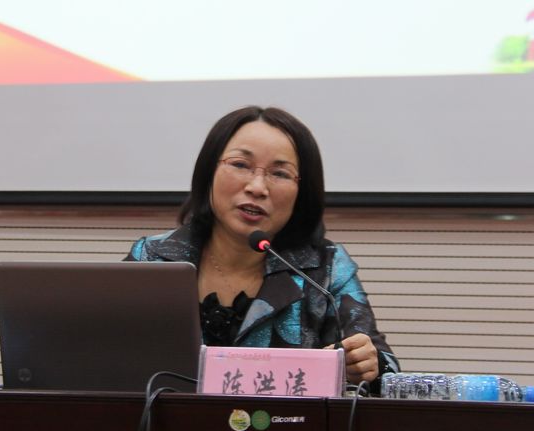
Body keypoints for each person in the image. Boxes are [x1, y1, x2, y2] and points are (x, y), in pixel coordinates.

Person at [124, 105, 399, 391]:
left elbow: (386, 371)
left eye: (279, 173)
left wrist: (370, 365)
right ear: (209, 171)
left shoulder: (326, 270)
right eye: (240, 165)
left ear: (302, 192)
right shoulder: (151, 258)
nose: (257, 187)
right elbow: (105, 351)